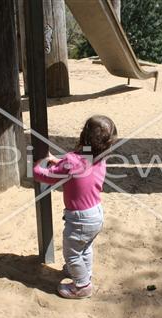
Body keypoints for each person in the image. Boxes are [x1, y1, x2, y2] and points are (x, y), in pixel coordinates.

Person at [33, 115, 117, 299]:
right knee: (85, 248)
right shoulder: (100, 159)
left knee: (71, 253)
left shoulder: (72, 161)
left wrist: (38, 165)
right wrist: (57, 161)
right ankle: (84, 274)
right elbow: (73, 169)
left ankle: (82, 286)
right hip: (95, 214)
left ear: (83, 136)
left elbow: (44, 175)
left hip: (79, 219)